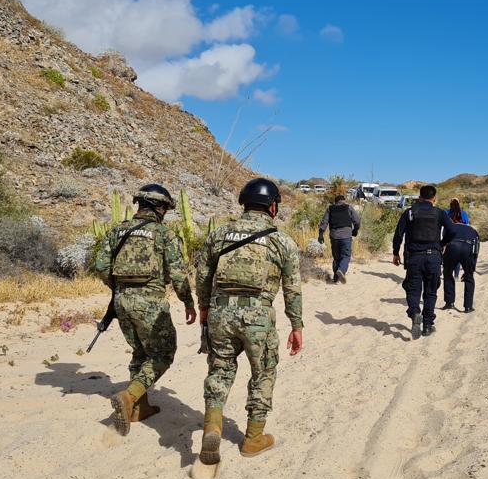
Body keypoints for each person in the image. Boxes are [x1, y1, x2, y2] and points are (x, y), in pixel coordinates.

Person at [195, 178, 304, 464]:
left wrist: (204, 308)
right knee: (263, 372)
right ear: (273, 206)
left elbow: (203, 274)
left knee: (219, 370)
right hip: (258, 317)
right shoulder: (281, 240)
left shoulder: (219, 234)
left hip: (220, 314)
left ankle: (213, 427)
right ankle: (253, 438)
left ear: (243, 203)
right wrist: (297, 325)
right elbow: (292, 288)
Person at [91, 184, 196, 437]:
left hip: (121, 301)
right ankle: (130, 397)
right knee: (163, 354)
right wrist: (188, 302)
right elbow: (178, 274)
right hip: (150, 303)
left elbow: (101, 265)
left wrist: (119, 287)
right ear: (160, 208)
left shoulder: (117, 231)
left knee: (140, 351)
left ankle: (140, 408)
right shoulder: (164, 235)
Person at [392, 184, 455, 339]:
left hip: (414, 257)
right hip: (433, 257)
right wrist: (442, 244)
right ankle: (427, 325)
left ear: (419, 197)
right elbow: (452, 231)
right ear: (434, 198)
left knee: (412, 289)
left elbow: (398, 234)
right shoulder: (439, 213)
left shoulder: (410, 213)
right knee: (431, 292)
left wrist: (395, 253)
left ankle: (414, 313)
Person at [318, 194, 361, 283]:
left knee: (336, 257)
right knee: (345, 256)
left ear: (335, 202)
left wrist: (321, 235)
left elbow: (324, 222)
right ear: (344, 201)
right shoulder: (348, 207)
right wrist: (355, 230)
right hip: (346, 236)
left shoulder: (330, 208)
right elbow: (357, 221)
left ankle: (336, 278)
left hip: (334, 236)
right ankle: (341, 270)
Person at [441, 220, 480, 312]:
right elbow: (476, 249)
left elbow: (444, 242)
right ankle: (468, 306)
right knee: (469, 277)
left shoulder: (450, 227)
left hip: (453, 247)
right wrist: (471, 269)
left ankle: (449, 303)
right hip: (468, 248)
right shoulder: (473, 230)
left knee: (447, 273)